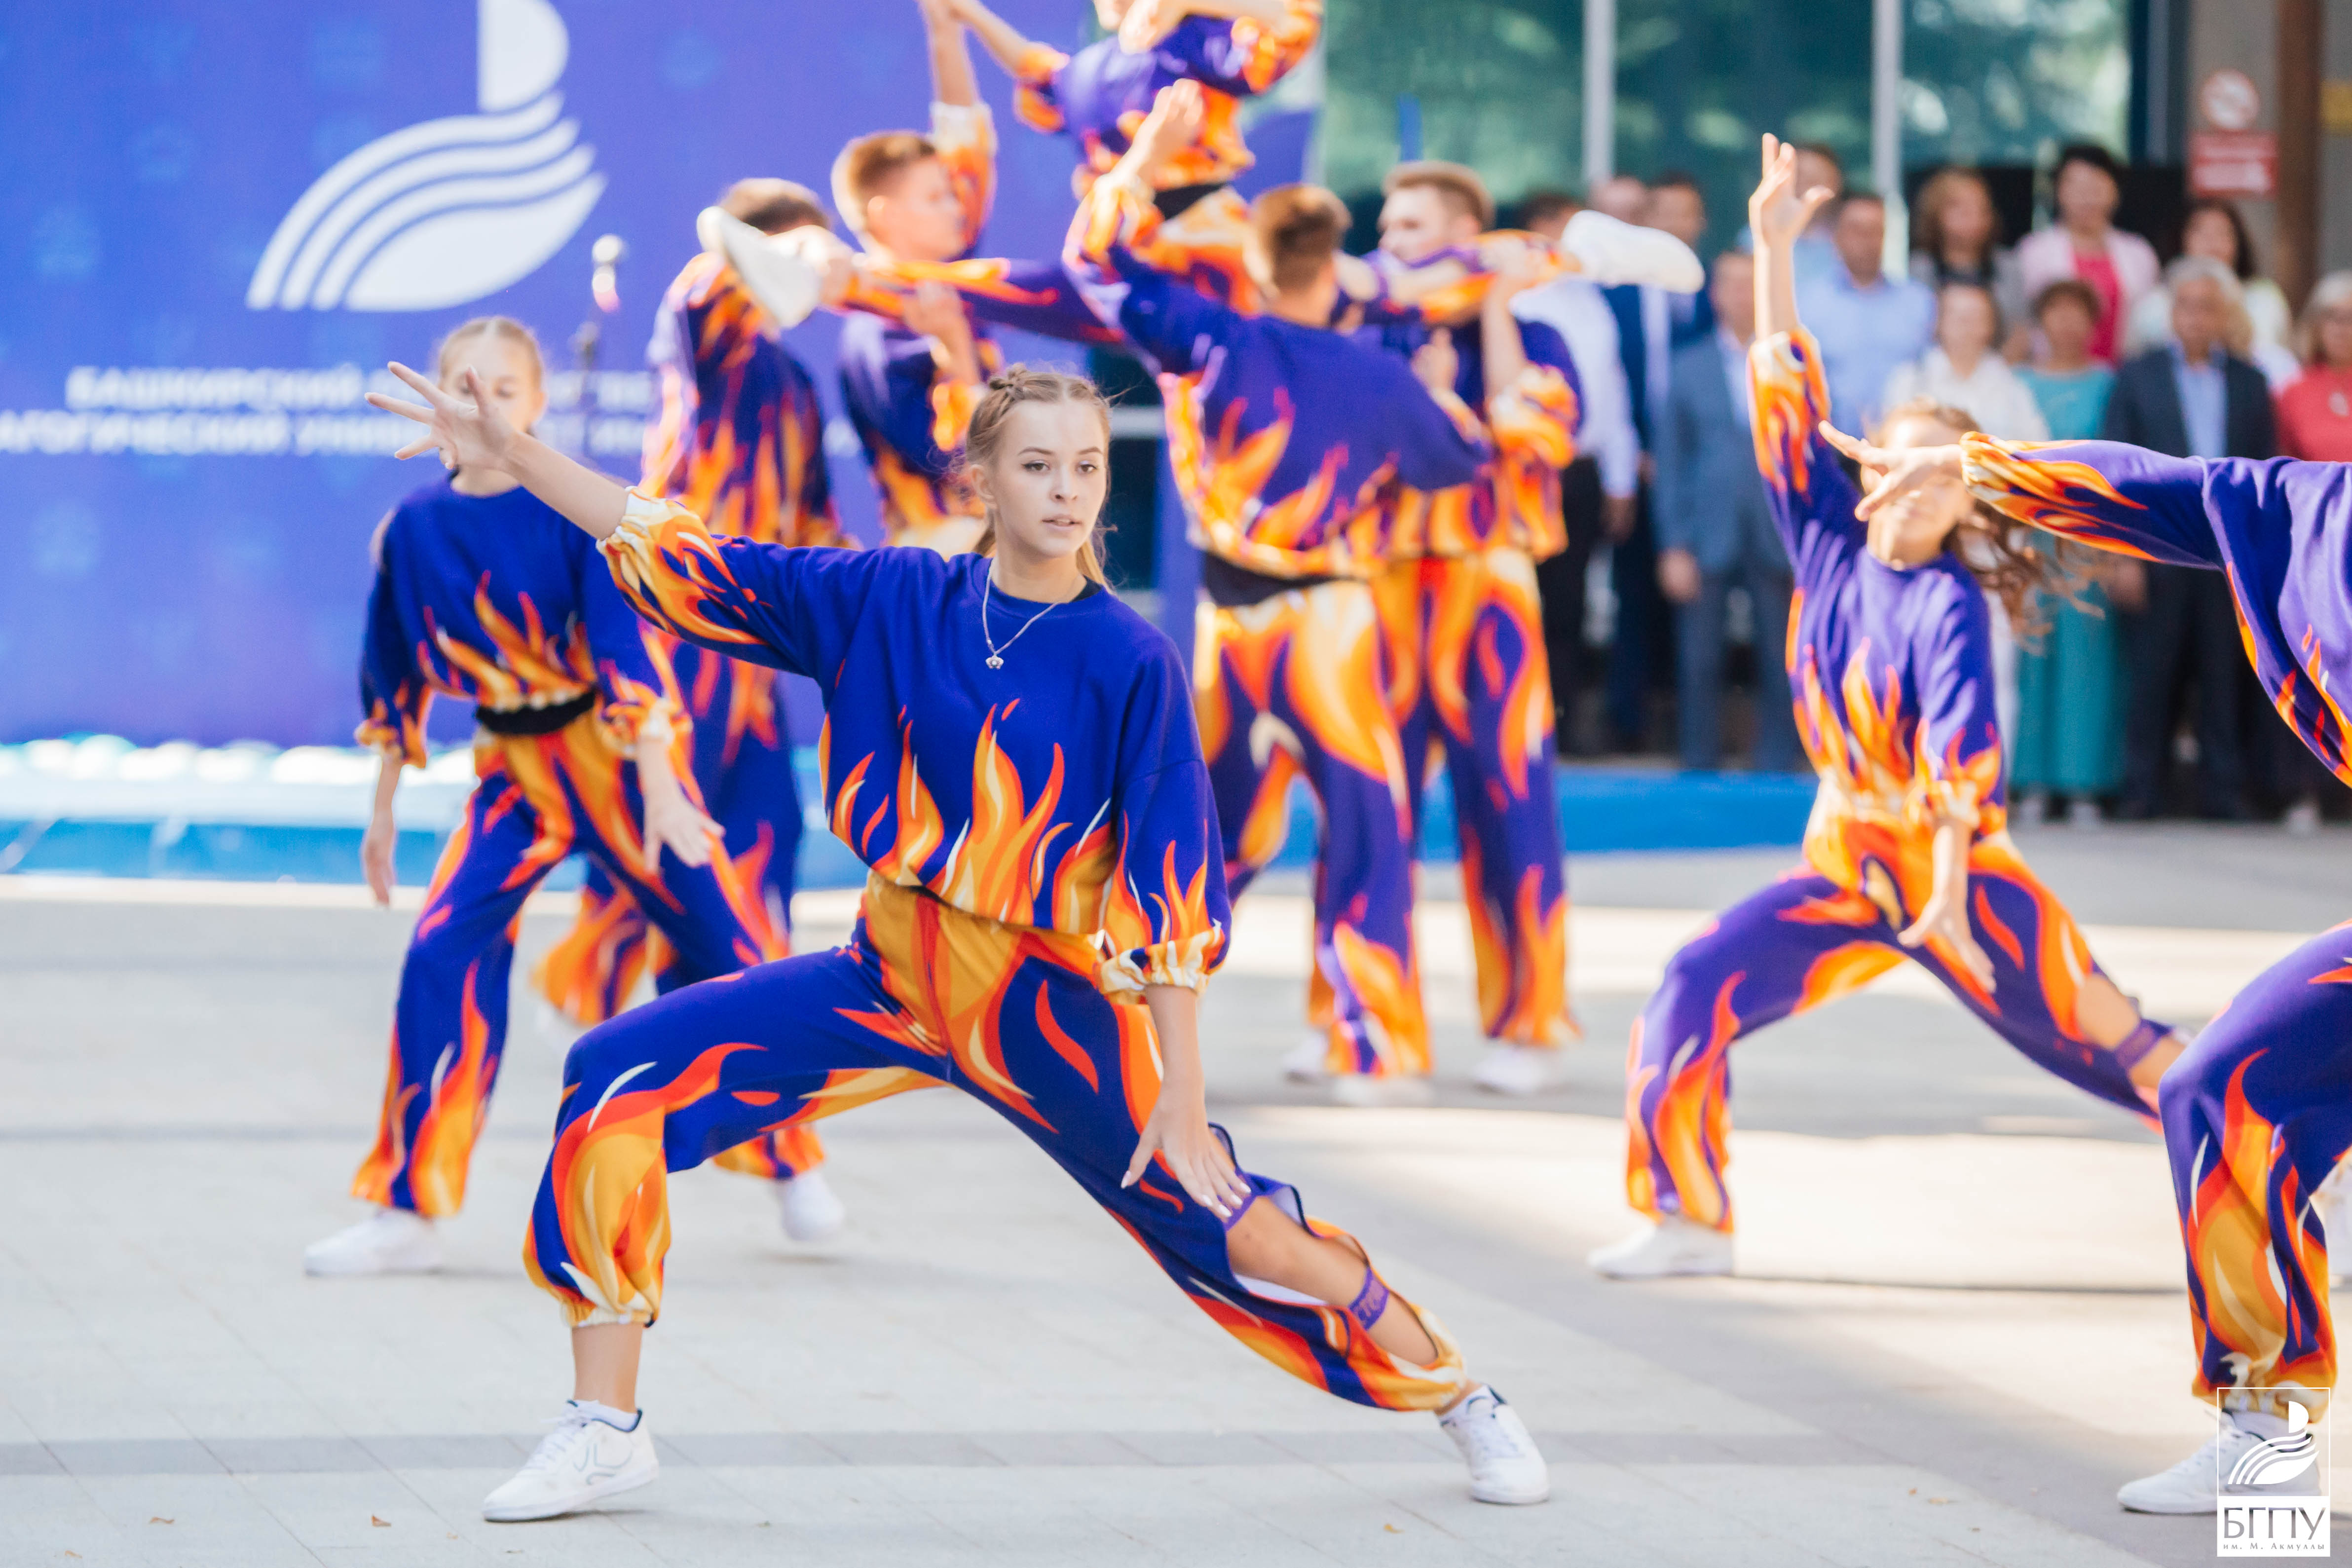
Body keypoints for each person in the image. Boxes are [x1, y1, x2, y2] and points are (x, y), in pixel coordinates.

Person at [367, 357, 1556, 1520]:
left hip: (1043, 1004)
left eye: (1086, 466)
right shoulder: (892, 598)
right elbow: (691, 555)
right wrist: (517, 454)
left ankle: (1461, 1391)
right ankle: (605, 1427)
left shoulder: (1130, 658)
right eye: (1037, 465)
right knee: (611, 1078)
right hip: (886, 970)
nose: (1066, 489)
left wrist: (1184, 1097)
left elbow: (1171, 886)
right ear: (982, 480)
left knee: (1246, 1239)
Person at [1586, 137, 2186, 1282]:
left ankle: (2298, 1165)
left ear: (1966, 503)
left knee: (2115, 1046)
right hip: (1847, 860)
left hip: (1955, 873)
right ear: (1865, 469)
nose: (1910, 487)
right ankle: (1689, 1220)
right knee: (1692, 983)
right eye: (1897, 465)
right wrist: (1772, 247)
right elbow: (1780, 384)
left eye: (1939, 476)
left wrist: (1950, 894)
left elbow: (1964, 761)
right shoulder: (1824, 536)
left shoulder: (1947, 605)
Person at [1822, 370, 2352, 1516]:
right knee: (2222, 1089)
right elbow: (2162, 488)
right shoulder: (2312, 511)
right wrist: (1971, 464)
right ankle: (2269, 1466)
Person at [302, 318, 788, 1278]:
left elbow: (626, 651)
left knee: (724, 945)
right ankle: (409, 1202)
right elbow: (391, 674)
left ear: (536, 404)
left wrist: (661, 785)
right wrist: (382, 807)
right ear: (435, 399)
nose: (482, 406)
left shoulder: (569, 512)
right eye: (464, 387)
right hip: (511, 773)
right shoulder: (412, 530)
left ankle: (787, 1158)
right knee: (441, 949)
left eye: (504, 391)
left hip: (612, 758)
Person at [1067, 83, 1490, 1103]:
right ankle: (1370, 1048)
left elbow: (1095, 264)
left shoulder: (1215, 338)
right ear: (1333, 267)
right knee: (1366, 830)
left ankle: (1127, 1031)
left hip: (1228, 628)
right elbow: (1457, 461)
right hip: (1332, 624)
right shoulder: (1377, 375)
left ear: (1256, 263)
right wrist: (1434, 386)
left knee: (1203, 837)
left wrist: (1139, 165)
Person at [529, 183, 855, 1242]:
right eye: (797, 251)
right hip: (674, 648)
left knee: (757, 875)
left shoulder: (793, 382)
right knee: (696, 889)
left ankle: (601, 1000)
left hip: (748, 668)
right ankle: (775, 1148)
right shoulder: (702, 325)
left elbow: (815, 529)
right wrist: (765, 244)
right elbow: (722, 267)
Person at [1349, 160, 1582, 1095]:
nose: (1387, 243)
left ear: (1461, 238)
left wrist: (1489, 313)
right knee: (1371, 811)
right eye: (1386, 227)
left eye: (1407, 227)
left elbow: (1540, 436)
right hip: (1385, 587)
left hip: (1491, 591)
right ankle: (1365, 1025)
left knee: (1511, 806)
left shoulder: (1537, 338)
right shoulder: (1370, 335)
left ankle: (1531, 1025)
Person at [947, 0, 1321, 313]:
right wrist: (970, 13)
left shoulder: (1196, 40)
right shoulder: (1092, 69)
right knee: (968, 287)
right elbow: (1038, 71)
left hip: (1205, 239)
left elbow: (1291, 21)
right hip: (1117, 253)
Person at [2102, 257, 2277, 821]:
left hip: (2226, 549)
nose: (2197, 317)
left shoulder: (2251, 382)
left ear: (2226, 316)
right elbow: (2117, 470)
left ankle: (2222, 792)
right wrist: (2122, 555)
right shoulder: (2138, 375)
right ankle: (2141, 790)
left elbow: (2264, 472)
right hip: (2156, 542)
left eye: (2209, 307)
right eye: (2187, 306)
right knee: (2153, 672)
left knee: (2224, 672)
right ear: (2171, 313)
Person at [828, 0, 1002, 555]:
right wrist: (957, 350)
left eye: (952, 195)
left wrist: (946, 32)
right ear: (885, 216)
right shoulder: (876, 330)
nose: (956, 207)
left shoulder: (947, 286)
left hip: (989, 550)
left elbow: (967, 141)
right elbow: (956, 466)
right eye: (935, 198)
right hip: (942, 562)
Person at [1654, 248, 1801, 774]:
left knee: (1781, 654)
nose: (1741, 294)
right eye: (1731, 284)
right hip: (1705, 533)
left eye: (1750, 283)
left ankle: (1779, 763)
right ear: (1714, 295)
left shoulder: (1791, 364)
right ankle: (1699, 762)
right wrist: (1673, 545)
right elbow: (1671, 463)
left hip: (1775, 530)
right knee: (1699, 658)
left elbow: (1807, 454)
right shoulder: (1686, 367)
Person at [1516, 189, 1641, 755]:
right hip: (1525, 471)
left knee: (1569, 606)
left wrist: (1619, 480)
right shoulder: (1513, 297)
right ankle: (1517, 724)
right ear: (1540, 229)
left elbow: (1612, 396)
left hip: (1582, 473)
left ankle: (1560, 725)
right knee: (1521, 600)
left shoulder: (1590, 299)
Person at [2011, 280, 2125, 827]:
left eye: (2077, 313)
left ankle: (2084, 784)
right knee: (2032, 653)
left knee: (2086, 660)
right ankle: (2029, 781)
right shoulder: (2017, 382)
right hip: (2027, 535)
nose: (2066, 323)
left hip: (2087, 535)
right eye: (2055, 311)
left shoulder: (2109, 383)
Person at [1794, 190, 1937, 434]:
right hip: (1831, 444)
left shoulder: (1919, 302)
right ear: (1836, 236)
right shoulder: (1807, 304)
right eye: (1857, 230)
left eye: (1875, 231)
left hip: (1903, 445)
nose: (1867, 240)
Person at [2126, 197, 2299, 387]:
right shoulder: (2155, 304)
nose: (2212, 242)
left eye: (2223, 233)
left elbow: (2279, 364)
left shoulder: (2265, 299)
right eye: (2202, 233)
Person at [2016, 143, 2159, 368]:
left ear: (2115, 191)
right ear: (2059, 191)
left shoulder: (2139, 253)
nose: (2086, 197)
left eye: (2096, 187)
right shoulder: (2034, 251)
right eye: (2077, 187)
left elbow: (2150, 324)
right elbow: (2022, 325)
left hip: (2125, 376)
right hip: (2056, 376)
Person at [1906, 166, 2030, 361]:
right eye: (1960, 208)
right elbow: (1915, 337)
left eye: (1981, 208)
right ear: (1936, 213)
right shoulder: (1921, 268)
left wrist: (1988, 373)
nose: (1973, 216)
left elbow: (2020, 335)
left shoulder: (2008, 267)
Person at [2273, 269, 2352, 462]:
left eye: (2350, 318)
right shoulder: (2294, 391)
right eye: (2332, 317)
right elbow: (2286, 462)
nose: (2341, 329)